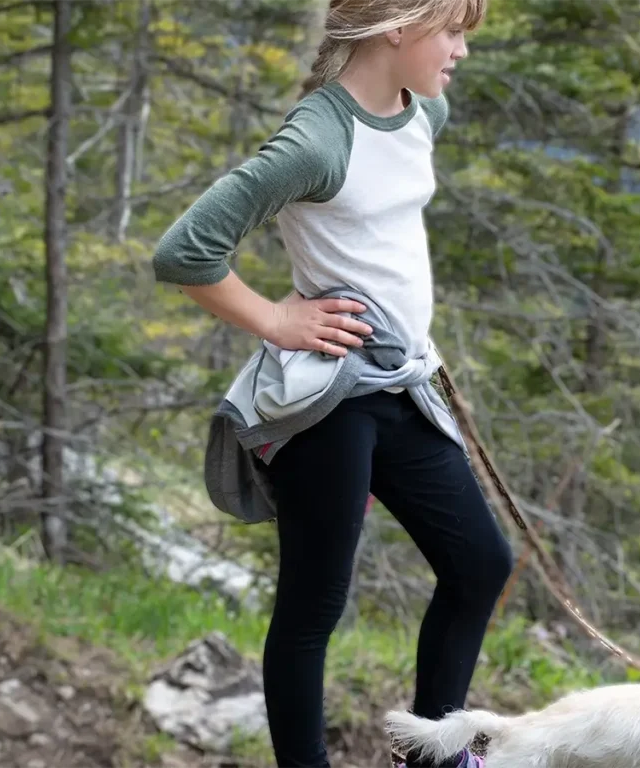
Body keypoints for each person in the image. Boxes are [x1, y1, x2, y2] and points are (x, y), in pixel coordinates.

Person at [150, 1, 514, 768]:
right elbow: (186, 250)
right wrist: (278, 320)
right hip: (329, 404)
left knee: (481, 563)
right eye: (451, 31)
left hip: (400, 387)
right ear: (395, 28)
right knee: (314, 604)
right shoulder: (318, 137)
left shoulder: (424, 110)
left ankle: (434, 755)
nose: (461, 51)